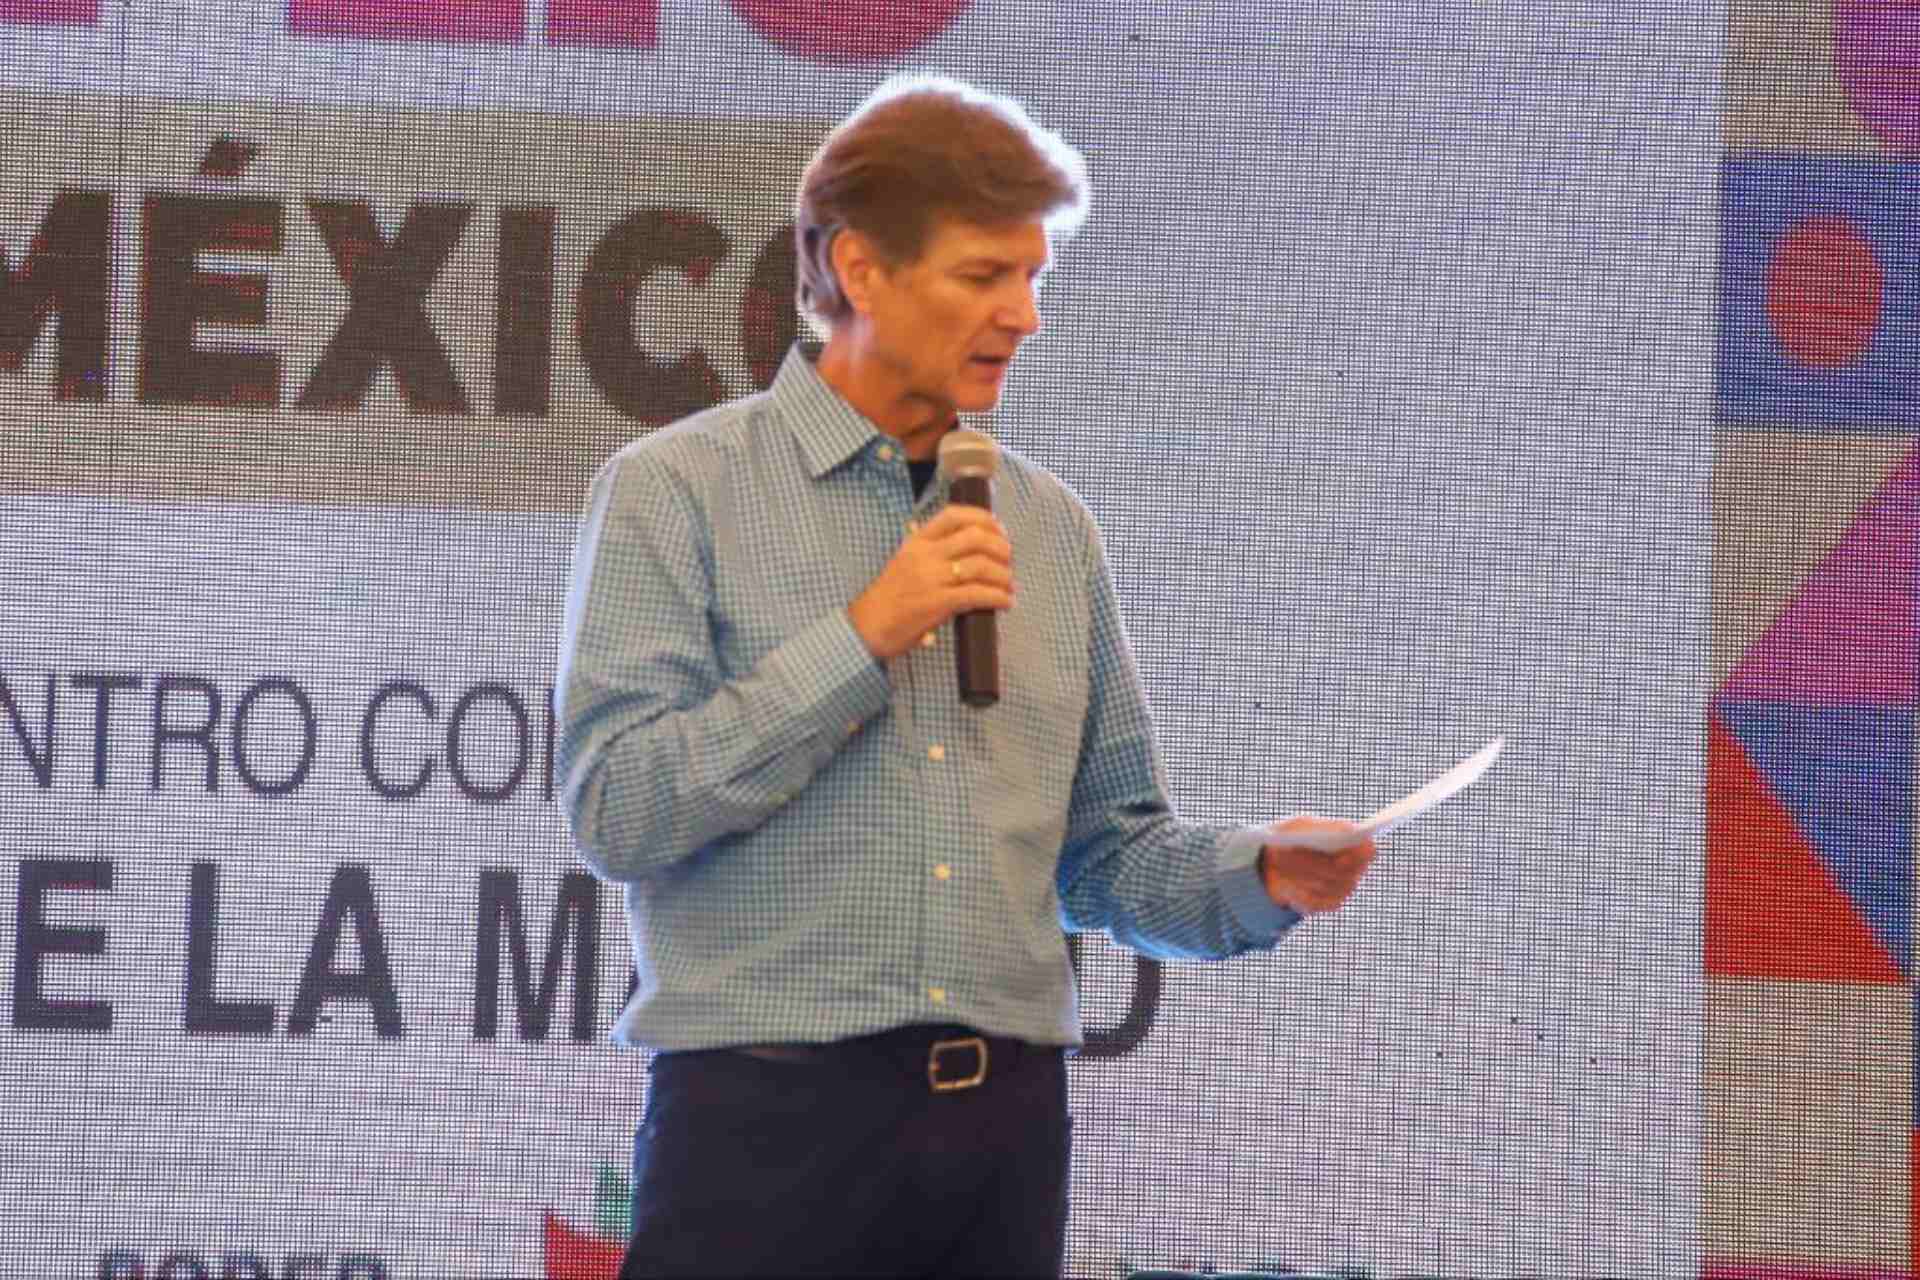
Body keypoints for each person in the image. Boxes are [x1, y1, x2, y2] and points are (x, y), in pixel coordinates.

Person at [553, 73, 1378, 1280]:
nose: (1025, 315)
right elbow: (620, 808)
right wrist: (865, 635)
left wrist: (1254, 873)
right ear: (860, 267)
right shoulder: (676, 489)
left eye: (1035, 278)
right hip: (764, 1130)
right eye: (987, 275)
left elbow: (1105, 855)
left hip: (1002, 1140)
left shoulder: (1049, 527)